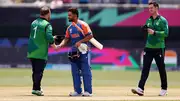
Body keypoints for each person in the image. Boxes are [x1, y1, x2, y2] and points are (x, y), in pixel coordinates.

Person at [131, 1, 168, 96]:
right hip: (148, 47)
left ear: (156, 8)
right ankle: (140, 88)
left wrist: (155, 32)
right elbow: (147, 31)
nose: (150, 9)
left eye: (151, 8)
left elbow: (166, 33)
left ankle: (164, 88)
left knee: (161, 68)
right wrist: (144, 29)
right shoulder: (148, 20)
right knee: (145, 68)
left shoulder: (163, 20)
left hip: (159, 48)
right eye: (149, 8)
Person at [58, 8, 93, 97]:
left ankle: (88, 91)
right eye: (68, 15)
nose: (68, 16)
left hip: (84, 51)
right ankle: (77, 91)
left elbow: (90, 36)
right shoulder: (69, 28)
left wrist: (80, 41)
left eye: (70, 15)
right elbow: (66, 38)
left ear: (75, 15)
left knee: (86, 71)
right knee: (75, 72)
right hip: (74, 53)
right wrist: (60, 45)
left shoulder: (83, 25)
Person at [27, 6, 58, 96]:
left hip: (32, 50)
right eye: (50, 13)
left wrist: (53, 37)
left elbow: (38, 35)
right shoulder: (47, 25)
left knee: (35, 71)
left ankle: (35, 88)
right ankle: (36, 89)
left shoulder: (34, 22)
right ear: (48, 13)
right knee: (39, 71)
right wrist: (54, 46)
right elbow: (48, 37)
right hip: (40, 51)